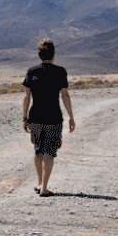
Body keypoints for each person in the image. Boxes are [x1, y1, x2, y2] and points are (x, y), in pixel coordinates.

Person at [22, 38, 75, 197]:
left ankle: (40, 184)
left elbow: (26, 97)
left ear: (39, 54)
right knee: (49, 151)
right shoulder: (60, 71)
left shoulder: (32, 72)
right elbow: (65, 95)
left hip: (36, 117)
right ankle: (44, 187)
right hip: (54, 118)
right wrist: (71, 117)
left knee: (38, 150)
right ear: (53, 55)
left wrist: (24, 117)